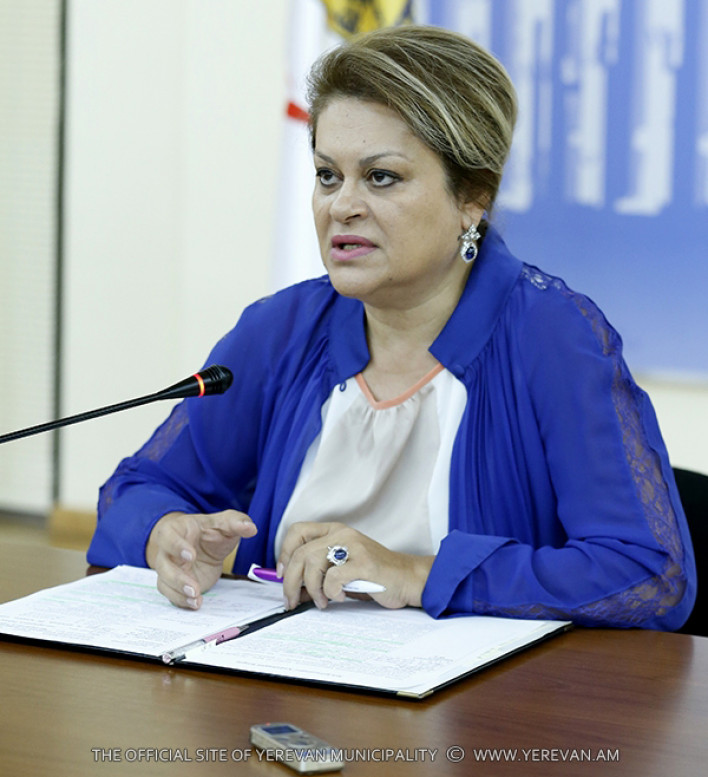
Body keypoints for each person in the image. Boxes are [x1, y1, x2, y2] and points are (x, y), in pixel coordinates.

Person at [87, 25, 696, 630]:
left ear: (473, 198)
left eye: (381, 177)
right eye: (328, 175)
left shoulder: (555, 338)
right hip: (274, 676)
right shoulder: (281, 331)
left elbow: (648, 575)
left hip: (480, 693)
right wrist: (167, 534)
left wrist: (413, 574)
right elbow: (136, 490)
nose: (341, 205)